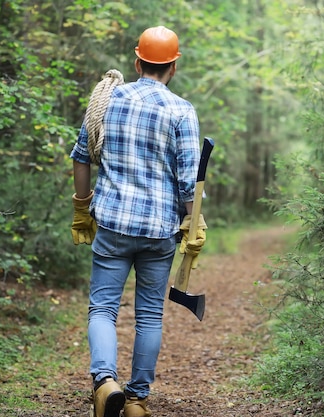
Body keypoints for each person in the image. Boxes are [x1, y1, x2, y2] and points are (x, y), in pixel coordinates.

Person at [69, 25, 207, 417]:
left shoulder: (108, 101)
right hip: (159, 230)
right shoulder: (182, 110)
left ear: (137, 61)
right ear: (173, 67)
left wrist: (82, 206)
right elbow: (188, 183)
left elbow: (82, 155)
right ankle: (136, 401)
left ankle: (104, 383)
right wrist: (193, 222)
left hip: (112, 223)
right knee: (149, 314)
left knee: (102, 309)